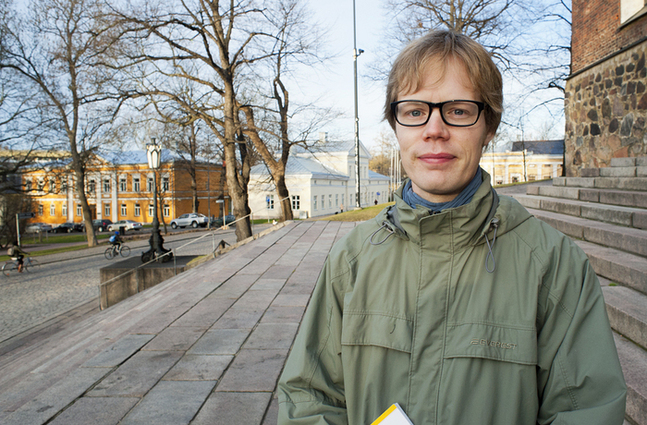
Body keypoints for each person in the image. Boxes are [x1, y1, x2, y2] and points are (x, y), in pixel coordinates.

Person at [277, 30, 626, 425]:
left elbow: (587, 412)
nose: (434, 129)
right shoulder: (352, 260)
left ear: (489, 127)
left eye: (458, 111)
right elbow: (309, 398)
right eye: (414, 111)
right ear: (397, 126)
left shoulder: (553, 265)